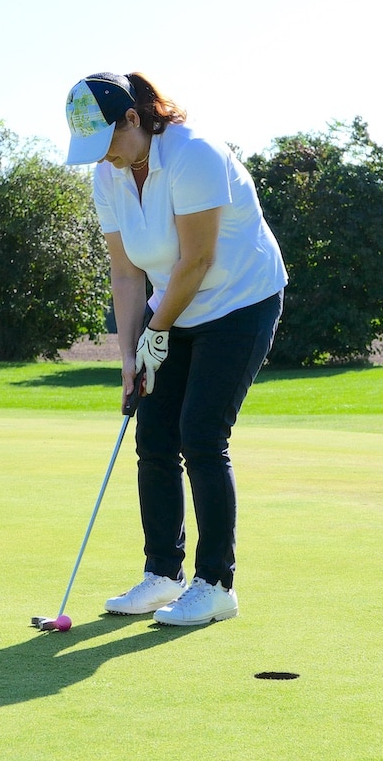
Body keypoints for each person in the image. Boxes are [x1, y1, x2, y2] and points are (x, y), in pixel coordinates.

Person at [64, 72, 288, 626]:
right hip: (172, 303)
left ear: (133, 118)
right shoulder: (109, 175)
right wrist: (129, 359)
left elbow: (197, 260)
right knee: (155, 435)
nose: (105, 157)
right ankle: (164, 573)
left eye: (108, 142)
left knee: (202, 434)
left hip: (239, 301)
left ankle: (216, 585)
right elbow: (125, 273)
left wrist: (156, 331)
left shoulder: (194, 155)